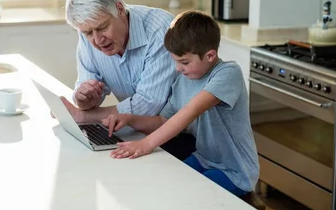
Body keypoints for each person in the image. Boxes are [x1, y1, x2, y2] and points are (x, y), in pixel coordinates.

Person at [101, 10, 260, 197]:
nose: (177, 68)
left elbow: (189, 113)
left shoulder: (227, 73)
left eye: (184, 62)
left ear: (210, 55)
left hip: (235, 172)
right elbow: (163, 120)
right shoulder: (183, 80)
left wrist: (146, 144)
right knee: (163, 186)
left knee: (182, 195)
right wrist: (129, 119)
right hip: (204, 160)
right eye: (175, 61)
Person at [61, 0, 195, 160]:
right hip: (139, 134)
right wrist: (84, 99)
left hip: (184, 138)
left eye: (103, 27)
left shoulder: (160, 29)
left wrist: (84, 116)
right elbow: (89, 91)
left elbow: (148, 105)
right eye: (88, 33)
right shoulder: (89, 34)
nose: (97, 40)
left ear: (120, 8)